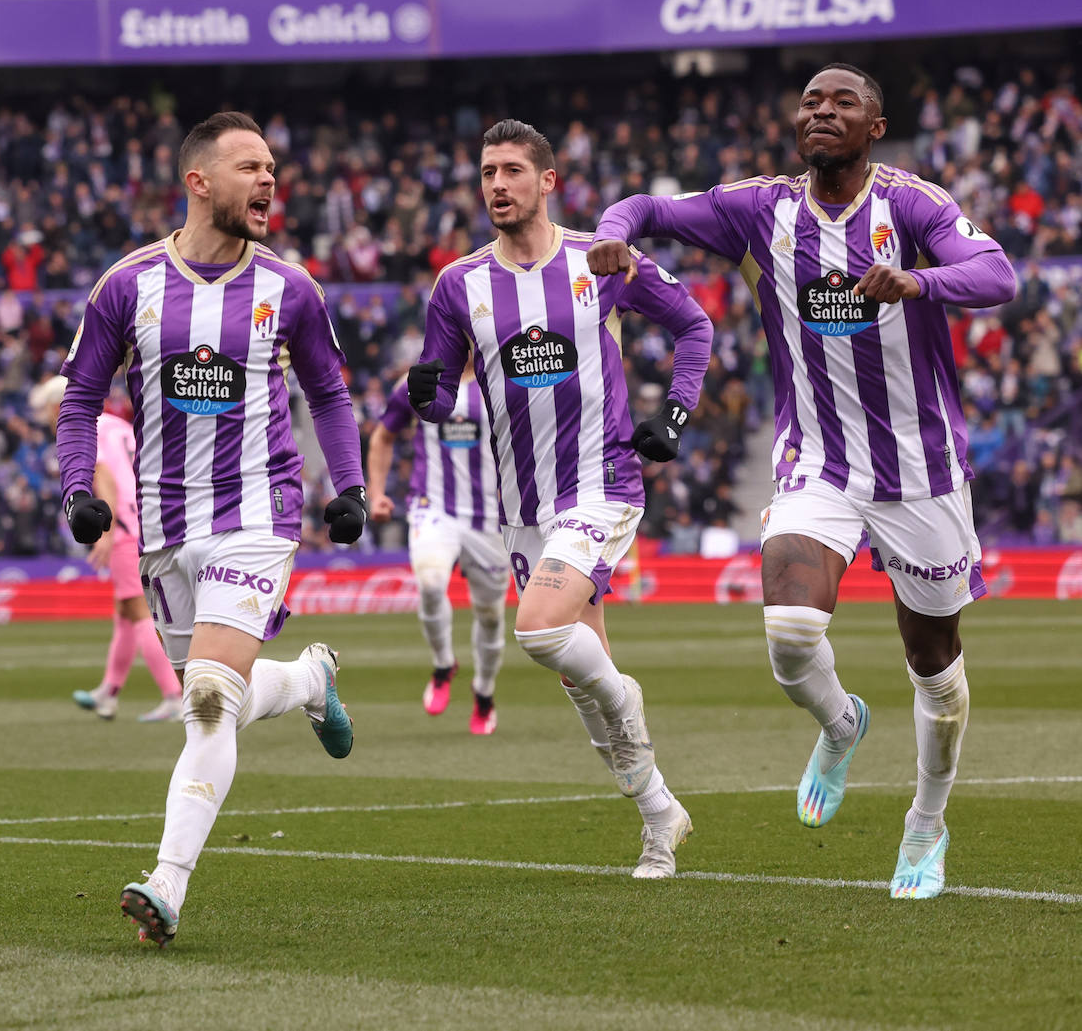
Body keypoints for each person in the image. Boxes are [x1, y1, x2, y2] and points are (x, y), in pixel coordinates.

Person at [588, 63, 1017, 899]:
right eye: (811, 101)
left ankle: (926, 821)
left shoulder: (914, 205)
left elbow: (998, 275)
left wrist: (919, 279)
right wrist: (611, 230)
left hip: (919, 471)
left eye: (842, 102)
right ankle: (840, 720)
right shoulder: (762, 207)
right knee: (788, 631)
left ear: (876, 127)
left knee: (934, 665)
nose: (822, 111)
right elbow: (644, 209)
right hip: (816, 460)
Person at [55, 112, 368, 947]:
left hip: (259, 511)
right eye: (249, 167)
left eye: (272, 166)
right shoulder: (127, 285)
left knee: (205, 694)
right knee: (215, 701)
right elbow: (80, 401)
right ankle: (305, 680)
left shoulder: (291, 288)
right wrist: (75, 491)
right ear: (198, 182)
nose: (269, 181)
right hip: (162, 521)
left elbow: (330, 396)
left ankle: (167, 883)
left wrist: (351, 485)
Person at [410, 119, 714, 878]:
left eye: (512, 170)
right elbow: (442, 388)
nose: (496, 185)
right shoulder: (459, 285)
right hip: (523, 506)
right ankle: (659, 819)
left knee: (540, 630)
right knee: (583, 681)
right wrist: (427, 393)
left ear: (548, 180)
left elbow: (695, 325)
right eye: (486, 172)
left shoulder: (599, 259)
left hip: (600, 483)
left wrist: (674, 413)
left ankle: (629, 701)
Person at [29, 375, 184, 723]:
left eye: (47, 414)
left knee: (139, 611)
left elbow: (104, 475)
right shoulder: (118, 424)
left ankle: (175, 695)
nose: (49, 422)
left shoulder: (83, 426)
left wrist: (107, 530)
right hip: (149, 514)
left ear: (58, 405)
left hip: (125, 522)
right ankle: (109, 692)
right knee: (126, 612)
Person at [367, 363, 509, 734]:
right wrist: (378, 493)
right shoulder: (417, 381)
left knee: (491, 616)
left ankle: (484, 692)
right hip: (434, 508)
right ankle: (444, 664)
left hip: (490, 517)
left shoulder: (501, 373)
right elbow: (383, 436)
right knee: (430, 584)